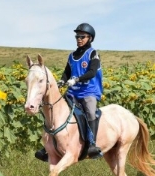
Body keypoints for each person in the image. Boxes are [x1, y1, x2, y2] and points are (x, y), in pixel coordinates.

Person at [35, 23, 104, 162]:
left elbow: (91, 72)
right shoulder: (72, 56)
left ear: (90, 38)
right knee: (55, 110)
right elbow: (67, 72)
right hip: (73, 91)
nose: (79, 39)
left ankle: (91, 145)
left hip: (88, 91)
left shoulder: (93, 54)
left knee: (90, 112)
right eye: (77, 36)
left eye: (82, 36)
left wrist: (77, 79)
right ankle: (48, 148)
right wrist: (62, 81)